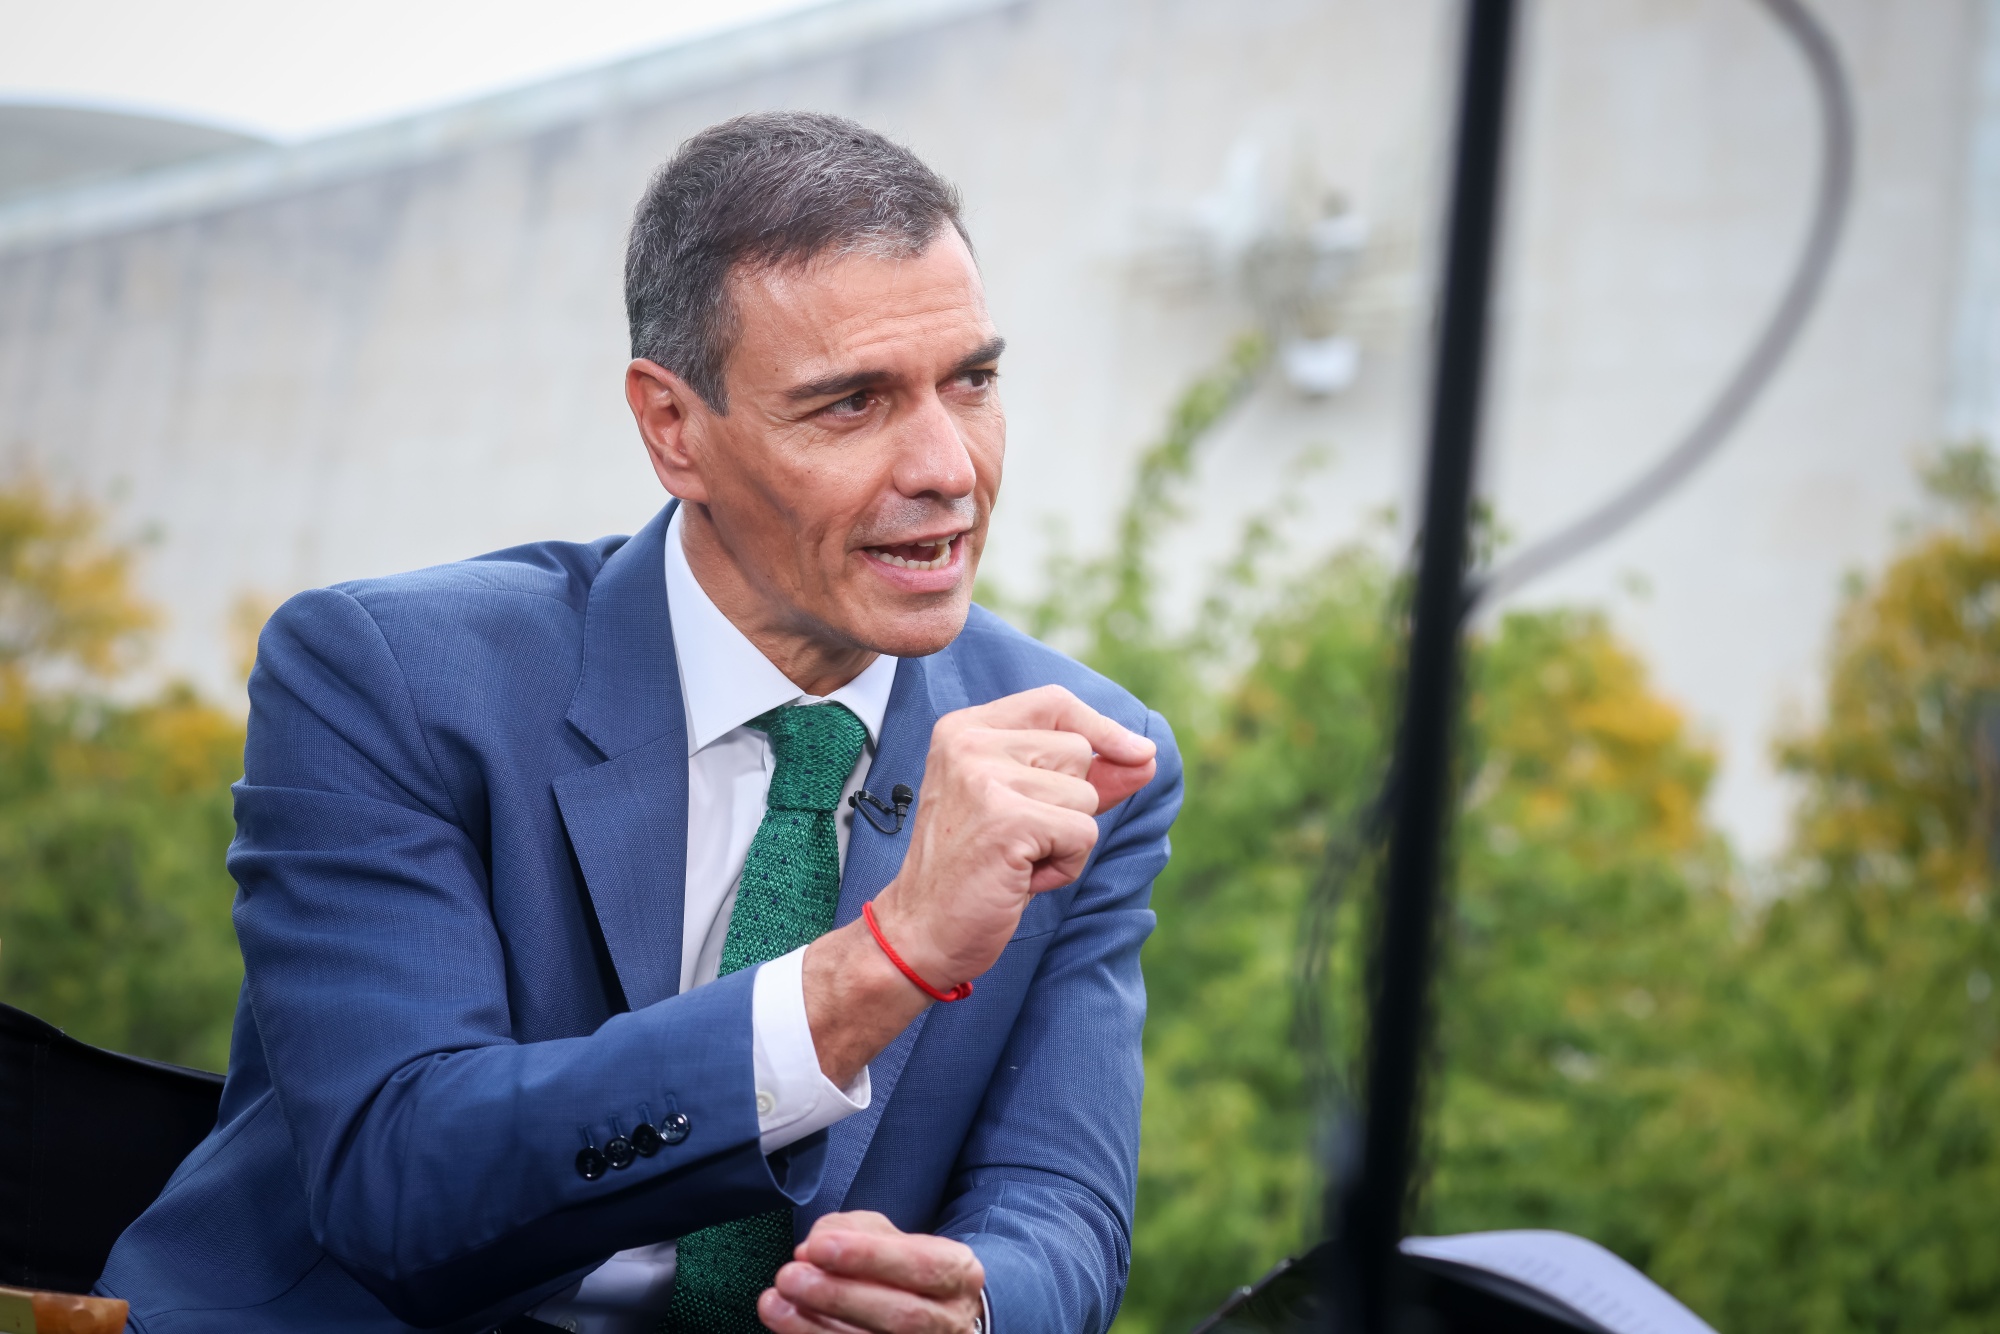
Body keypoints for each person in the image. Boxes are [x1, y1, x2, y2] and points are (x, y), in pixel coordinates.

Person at [96, 111, 1182, 1334]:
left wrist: (966, 1308)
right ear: (673, 428)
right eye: (850, 404)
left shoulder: (1078, 751)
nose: (946, 465)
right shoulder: (386, 677)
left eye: (971, 381)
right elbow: (402, 1182)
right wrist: (880, 964)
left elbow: (1059, 1208)